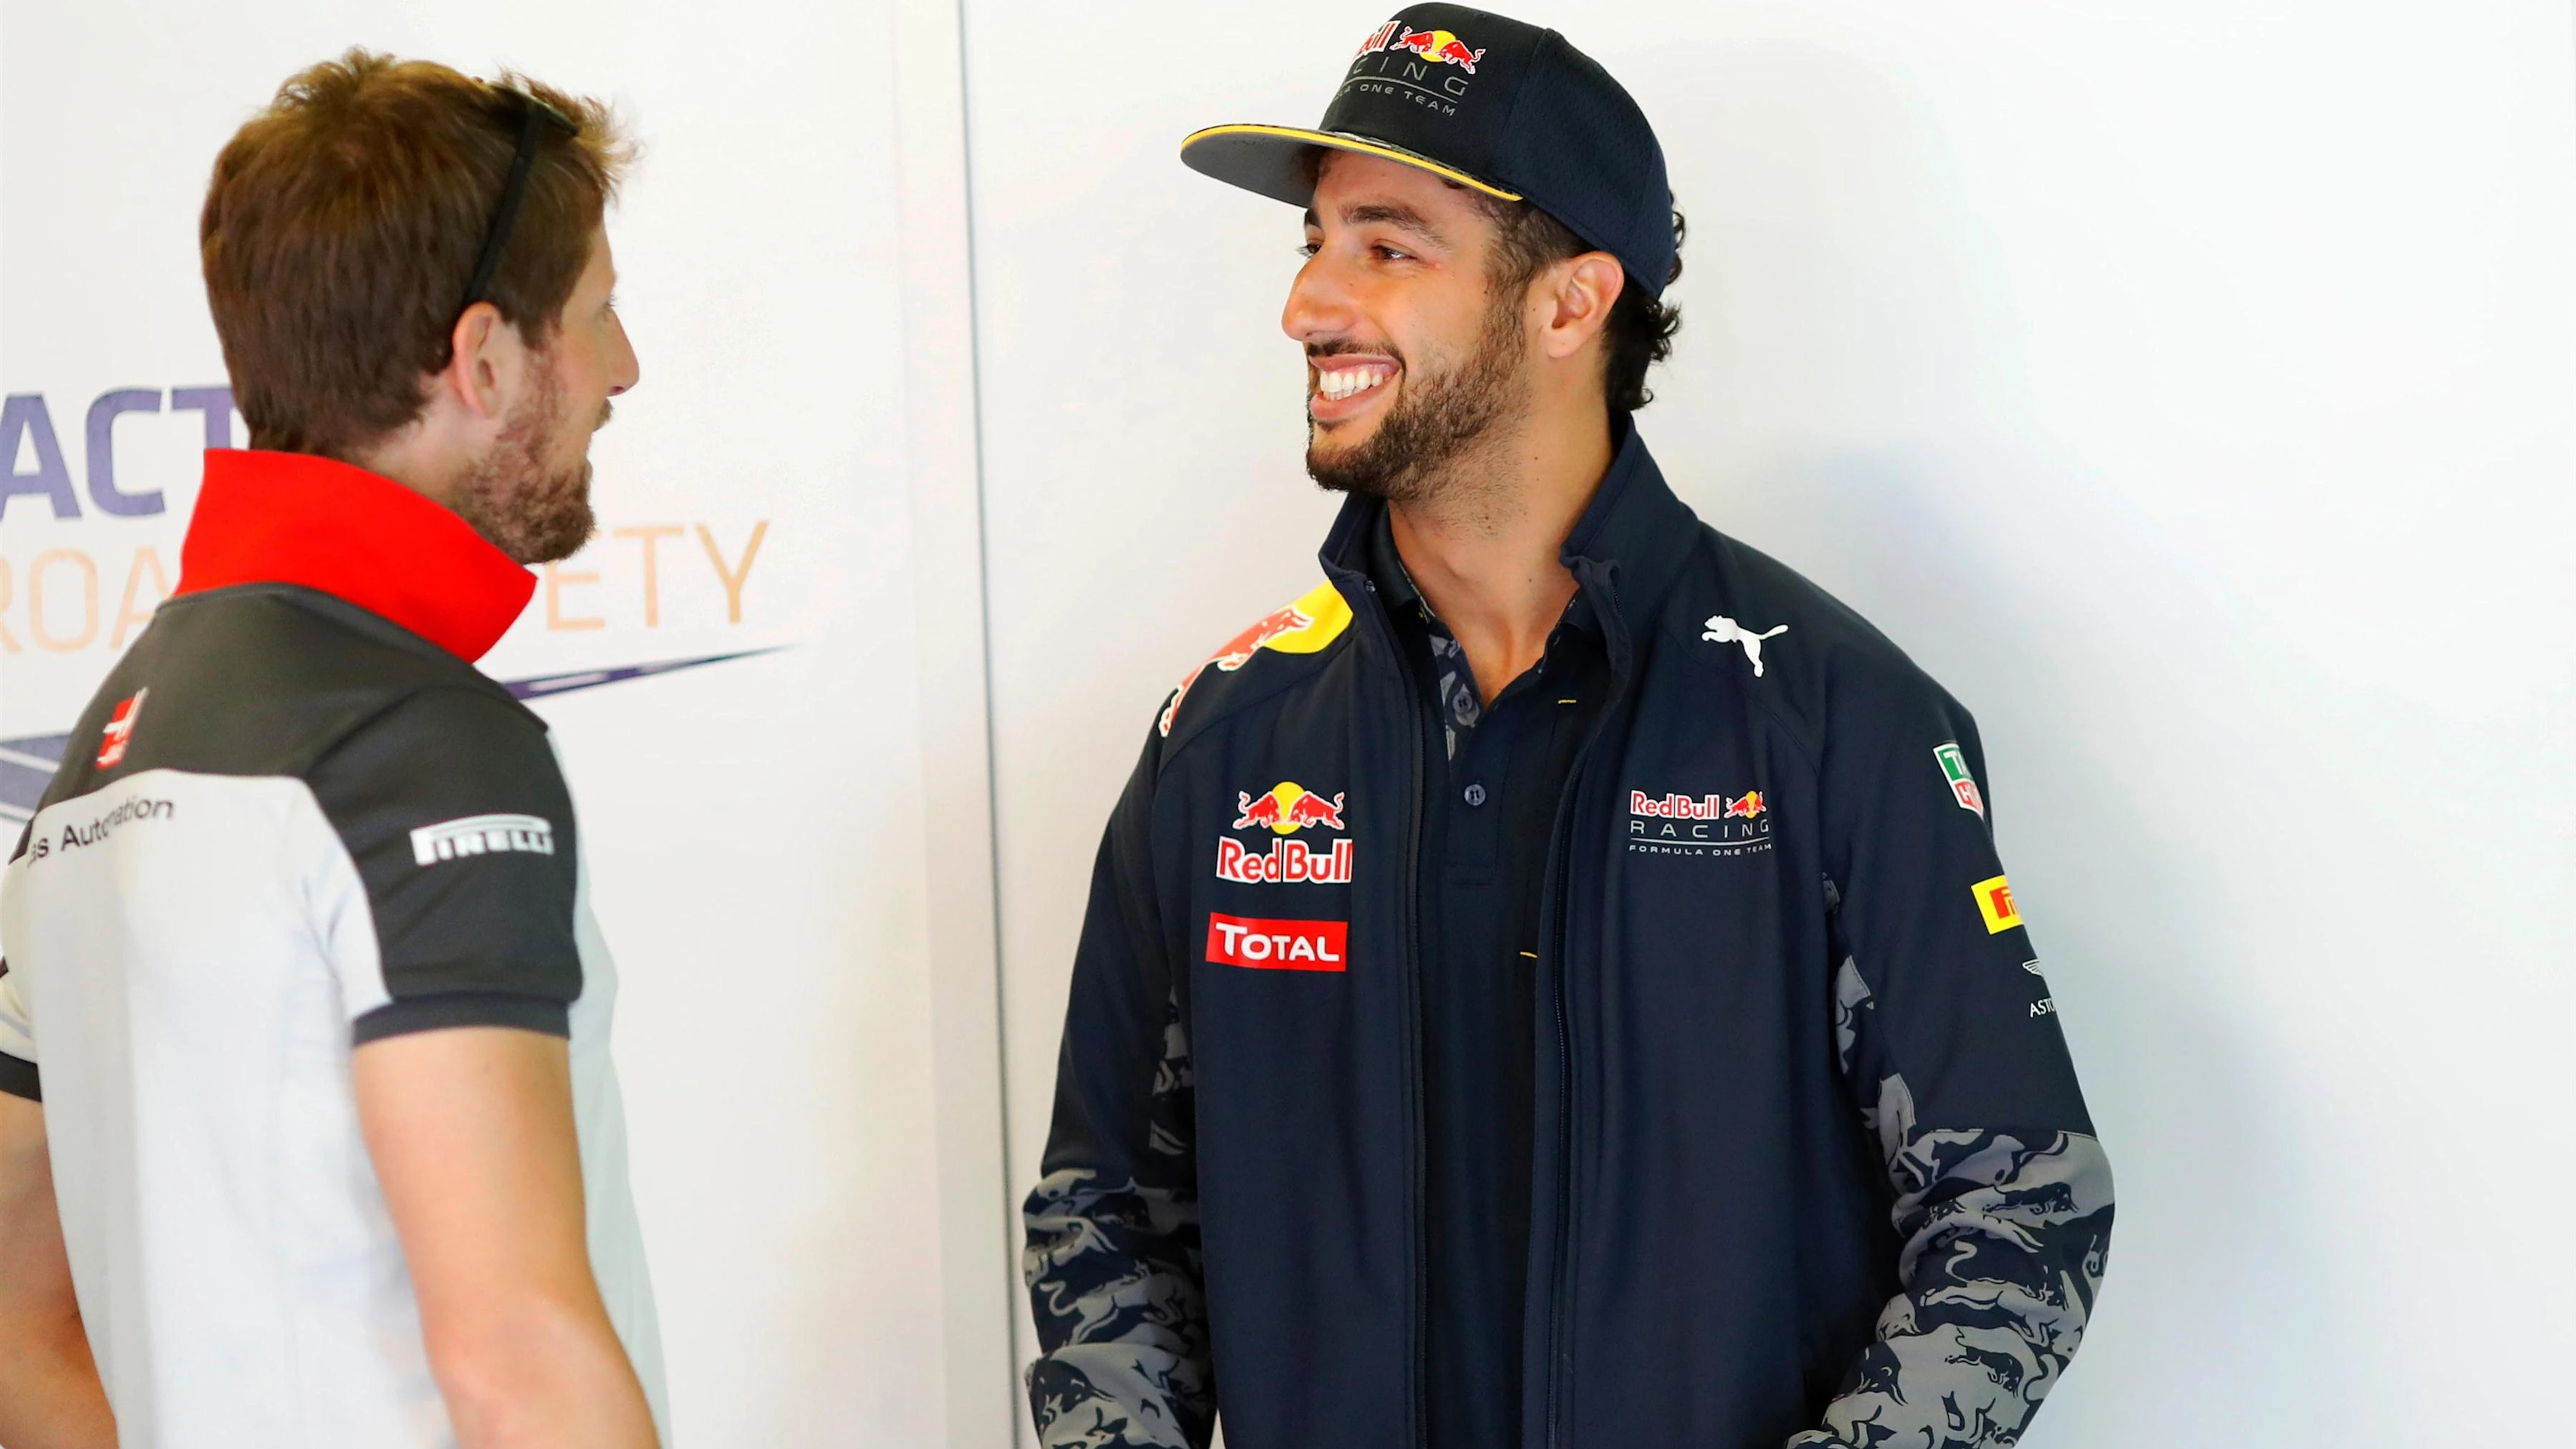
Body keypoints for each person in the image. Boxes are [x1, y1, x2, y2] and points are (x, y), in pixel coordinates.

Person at [1022, 8, 2113, 1447]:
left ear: (1569, 302)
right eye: (1316, 242)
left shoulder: (1833, 719)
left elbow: (2021, 1207)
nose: (1310, 305)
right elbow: (1107, 1220)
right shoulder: (1226, 744)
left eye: (1389, 245)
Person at [0, 52, 666, 1448]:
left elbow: (16, 1325)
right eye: (595, 317)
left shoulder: (97, 762)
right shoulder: (422, 748)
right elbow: (516, 1354)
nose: (622, 370)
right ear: (485, 358)